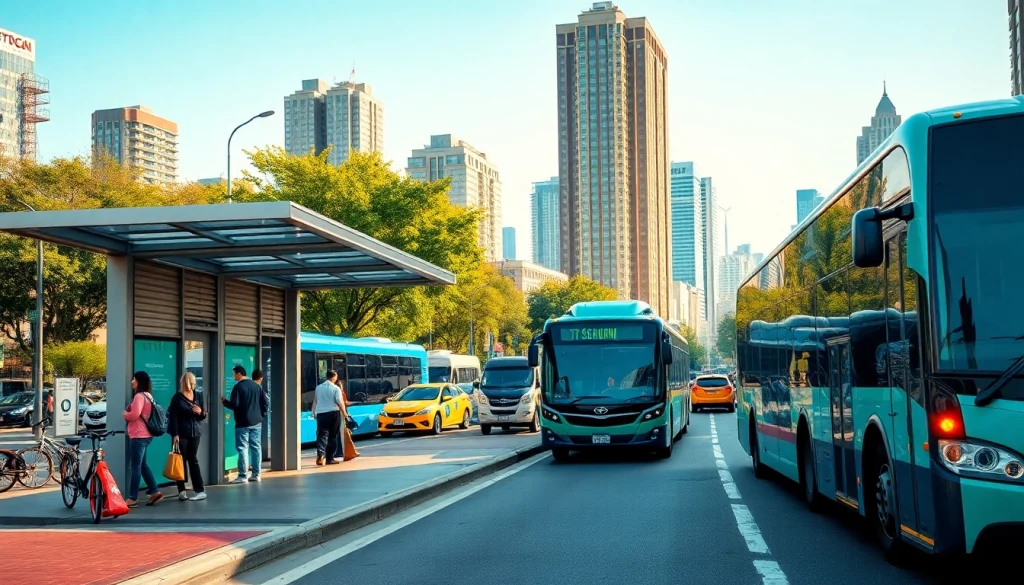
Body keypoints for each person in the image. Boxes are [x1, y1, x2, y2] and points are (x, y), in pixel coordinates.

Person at [221, 365, 268, 484]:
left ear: (239, 374)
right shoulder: (257, 386)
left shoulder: (238, 387)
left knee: (242, 448)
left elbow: (234, 404)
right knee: (256, 447)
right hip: (256, 422)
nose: (233, 376)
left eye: (233, 374)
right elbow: (265, 402)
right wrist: (261, 416)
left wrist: (224, 402)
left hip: (242, 423)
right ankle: (256, 474)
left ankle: (243, 475)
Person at [123, 371, 163, 507]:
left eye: (134, 379)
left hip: (138, 436)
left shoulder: (139, 396)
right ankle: (155, 491)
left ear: (139, 381)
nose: (132, 382)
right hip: (146, 435)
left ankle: (132, 498)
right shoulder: (148, 395)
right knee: (143, 465)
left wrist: (124, 414)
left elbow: (134, 415)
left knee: (135, 467)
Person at [168, 372, 206, 501]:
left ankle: (199, 490)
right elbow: (173, 417)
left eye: (192, 382)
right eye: (189, 382)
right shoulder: (177, 398)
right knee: (181, 460)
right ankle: (181, 490)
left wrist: (201, 412)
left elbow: (203, 415)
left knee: (193, 459)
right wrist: (175, 434)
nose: (190, 384)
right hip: (182, 433)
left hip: (195, 432)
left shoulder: (198, 395)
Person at [311, 370, 343, 466]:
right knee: (332, 436)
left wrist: (313, 412)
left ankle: (321, 454)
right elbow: (339, 401)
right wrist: (345, 414)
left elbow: (315, 401)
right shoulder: (336, 388)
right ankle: (330, 458)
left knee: (321, 435)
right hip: (333, 413)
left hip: (321, 414)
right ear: (334, 377)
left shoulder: (318, 388)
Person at [334, 378, 360, 462]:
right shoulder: (340, 392)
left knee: (338, 434)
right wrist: (346, 415)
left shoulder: (334, 392)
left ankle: (340, 451)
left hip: (336, 414)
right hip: (341, 415)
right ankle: (345, 452)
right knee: (343, 435)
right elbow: (344, 403)